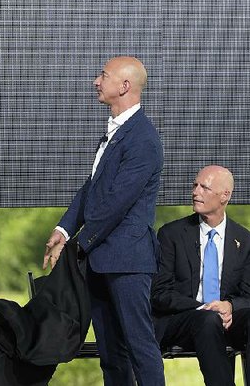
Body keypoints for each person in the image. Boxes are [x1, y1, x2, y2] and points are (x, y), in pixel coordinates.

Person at [43, 56, 165, 386]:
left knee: (140, 348)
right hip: (100, 260)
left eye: (103, 75)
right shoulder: (116, 132)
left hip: (126, 262)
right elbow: (93, 187)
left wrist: (77, 245)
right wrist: (63, 228)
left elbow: (116, 204)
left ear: (124, 86)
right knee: (111, 354)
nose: (96, 81)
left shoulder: (143, 140)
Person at [151, 165, 250, 386]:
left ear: (224, 196)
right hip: (184, 320)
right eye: (195, 185)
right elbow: (159, 294)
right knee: (208, 318)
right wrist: (202, 307)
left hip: (225, 322)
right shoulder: (171, 234)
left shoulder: (247, 241)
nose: (195, 192)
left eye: (204, 187)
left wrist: (229, 306)